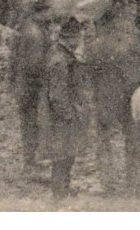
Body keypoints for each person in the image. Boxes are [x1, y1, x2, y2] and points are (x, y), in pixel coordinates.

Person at [42, 17, 87, 201]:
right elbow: (57, 95)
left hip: (64, 115)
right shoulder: (60, 60)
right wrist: (70, 115)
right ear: (72, 38)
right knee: (62, 157)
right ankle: (59, 195)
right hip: (62, 118)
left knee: (67, 156)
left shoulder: (61, 54)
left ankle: (63, 191)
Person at [12, 10, 53, 176]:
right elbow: (34, 64)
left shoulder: (26, 26)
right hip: (30, 84)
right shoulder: (35, 33)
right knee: (31, 122)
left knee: (29, 122)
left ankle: (31, 159)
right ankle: (30, 162)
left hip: (23, 82)